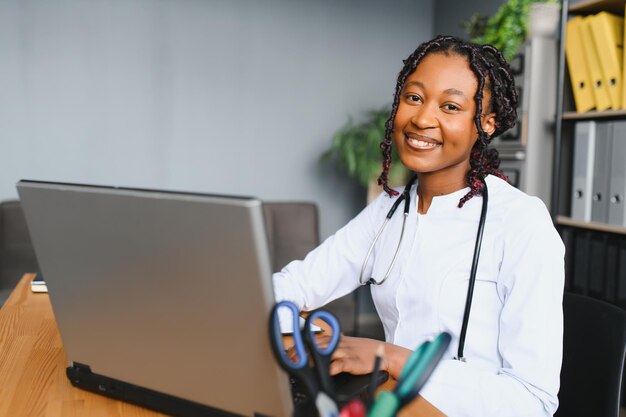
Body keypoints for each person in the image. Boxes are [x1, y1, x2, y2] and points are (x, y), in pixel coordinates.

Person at [272, 35, 564, 417]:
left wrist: (389, 356)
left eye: (450, 106)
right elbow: (287, 287)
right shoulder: (389, 211)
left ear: (487, 124)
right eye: (414, 98)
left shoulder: (521, 222)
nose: (423, 119)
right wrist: (303, 331)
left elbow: (532, 401)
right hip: (395, 402)